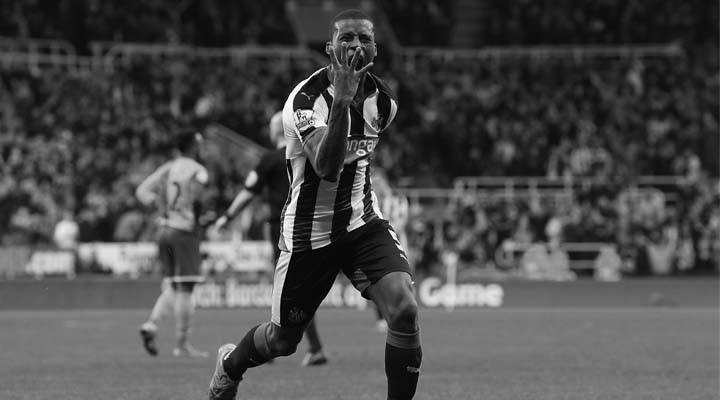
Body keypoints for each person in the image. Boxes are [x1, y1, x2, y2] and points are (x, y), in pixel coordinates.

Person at [208, 9, 422, 400]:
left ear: (375, 48)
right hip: (310, 232)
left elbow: (358, 162)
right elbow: (324, 167)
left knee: (405, 311)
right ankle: (230, 365)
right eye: (346, 38)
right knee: (282, 340)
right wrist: (341, 102)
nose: (356, 45)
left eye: (364, 38)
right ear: (329, 49)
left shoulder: (384, 102)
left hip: (361, 223)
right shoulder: (303, 101)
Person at [212, 111, 328, 367]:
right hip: (317, 226)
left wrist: (227, 216)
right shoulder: (308, 155)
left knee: (286, 287)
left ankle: (273, 344)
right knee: (302, 288)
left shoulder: (270, 159)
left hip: (285, 227)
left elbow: (248, 192)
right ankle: (307, 346)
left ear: (276, 131)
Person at [136, 131, 209, 358]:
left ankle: (151, 325)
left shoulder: (168, 168)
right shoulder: (198, 170)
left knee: (173, 286)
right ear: (193, 146)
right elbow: (196, 199)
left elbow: (141, 191)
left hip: (164, 230)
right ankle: (182, 344)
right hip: (184, 232)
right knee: (186, 288)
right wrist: (198, 223)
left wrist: (159, 207)